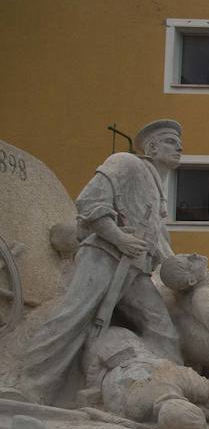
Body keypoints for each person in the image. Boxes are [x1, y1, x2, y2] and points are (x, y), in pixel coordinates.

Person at [5, 120, 184, 408]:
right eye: (171, 142)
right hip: (104, 255)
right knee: (74, 317)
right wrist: (119, 238)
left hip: (136, 269)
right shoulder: (125, 162)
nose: (179, 147)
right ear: (152, 147)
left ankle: (173, 388)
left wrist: (182, 268)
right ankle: (30, 388)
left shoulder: (158, 188)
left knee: (162, 328)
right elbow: (89, 202)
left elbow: (160, 243)